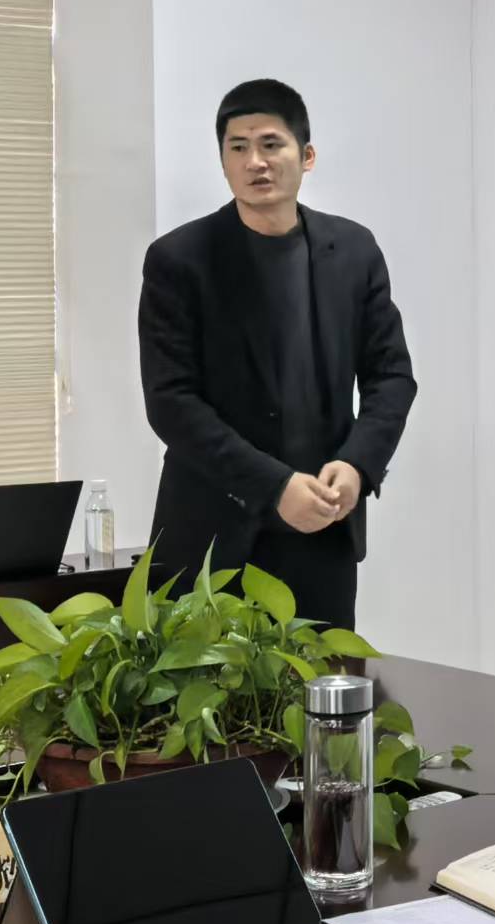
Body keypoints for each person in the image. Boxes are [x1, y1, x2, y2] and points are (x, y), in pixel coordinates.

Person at [138, 79, 417, 630]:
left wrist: (357, 465)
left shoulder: (353, 250)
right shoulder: (179, 259)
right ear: (222, 161)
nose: (255, 162)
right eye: (238, 147)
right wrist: (274, 486)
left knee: (323, 681)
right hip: (211, 540)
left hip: (322, 531)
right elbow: (171, 402)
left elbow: (391, 377)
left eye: (271, 144)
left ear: (306, 156)